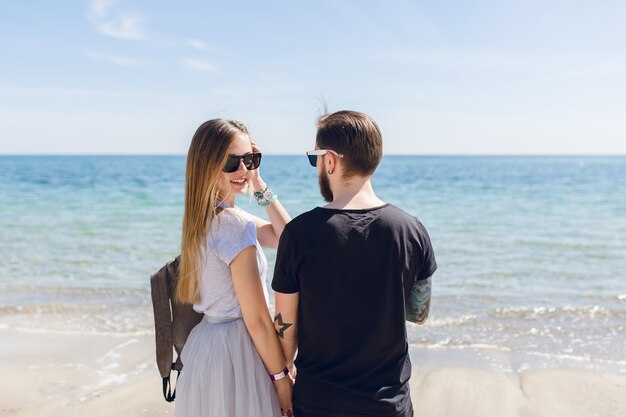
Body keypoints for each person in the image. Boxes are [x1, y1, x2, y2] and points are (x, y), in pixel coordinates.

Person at [272, 110, 437, 417]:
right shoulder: (411, 229)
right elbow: (418, 314)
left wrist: (281, 379)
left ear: (330, 160)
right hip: (388, 405)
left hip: (318, 403)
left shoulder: (299, 233)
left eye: (315, 158)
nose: (317, 166)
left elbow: (286, 332)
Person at [174, 119, 294, 417]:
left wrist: (257, 182)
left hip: (208, 350)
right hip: (237, 354)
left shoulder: (210, 218)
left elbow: (289, 239)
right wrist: (281, 381)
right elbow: (256, 319)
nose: (243, 169)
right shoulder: (233, 225)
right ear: (209, 165)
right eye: (232, 162)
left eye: (249, 159)